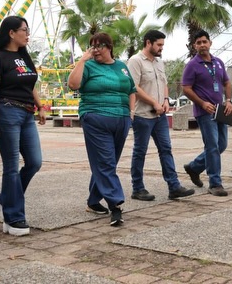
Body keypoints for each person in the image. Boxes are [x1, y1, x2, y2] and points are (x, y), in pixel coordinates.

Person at [67, 32, 136, 226]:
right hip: (96, 117)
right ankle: (116, 205)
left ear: (109, 47)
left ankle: (93, 201)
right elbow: (73, 84)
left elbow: (131, 89)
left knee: (108, 162)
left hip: (121, 118)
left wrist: (130, 113)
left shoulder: (122, 66)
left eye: (100, 46)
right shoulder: (88, 66)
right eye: (92, 46)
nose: (96, 50)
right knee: (105, 162)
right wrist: (82, 59)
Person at [0, 16, 45, 236]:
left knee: (35, 162)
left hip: (27, 114)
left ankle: (4, 198)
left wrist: (40, 106)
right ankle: (13, 218)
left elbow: (30, 83)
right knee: (10, 165)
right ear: (11, 33)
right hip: (6, 111)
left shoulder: (24, 56)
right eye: (24, 30)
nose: (27, 34)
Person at [127, 30, 194, 202]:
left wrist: (165, 100)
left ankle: (174, 186)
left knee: (166, 149)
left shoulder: (159, 62)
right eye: (159, 45)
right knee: (140, 151)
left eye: (163, 45)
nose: (161, 48)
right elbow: (133, 87)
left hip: (160, 116)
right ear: (148, 43)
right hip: (143, 115)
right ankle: (138, 188)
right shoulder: (135, 61)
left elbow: (164, 84)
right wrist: (153, 103)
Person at [181, 30, 232, 197]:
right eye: (199, 42)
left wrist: (229, 100)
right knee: (212, 146)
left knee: (222, 145)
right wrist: (202, 103)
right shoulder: (192, 65)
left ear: (210, 43)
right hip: (204, 112)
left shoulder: (218, 62)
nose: (202, 45)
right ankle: (215, 183)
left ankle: (194, 167)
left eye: (205, 41)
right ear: (194, 45)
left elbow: (226, 82)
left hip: (221, 110)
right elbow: (186, 88)